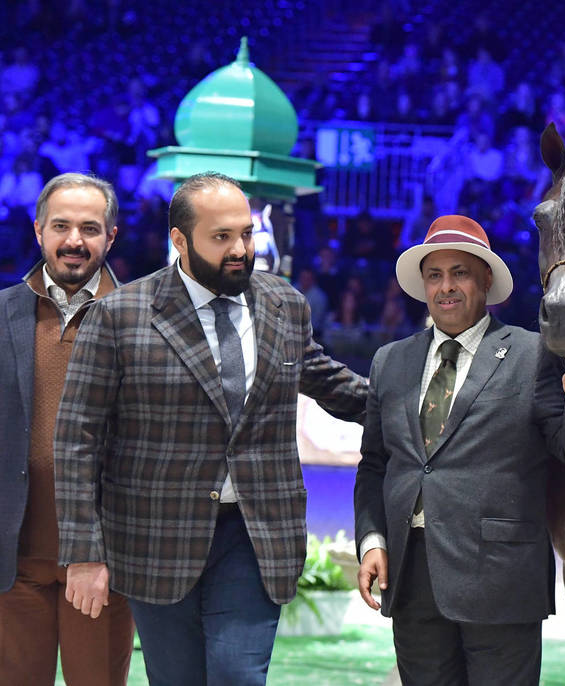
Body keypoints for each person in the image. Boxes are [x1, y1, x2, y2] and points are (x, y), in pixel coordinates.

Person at [53, 172, 368, 685]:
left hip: (256, 533)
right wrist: (84, 554)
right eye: (221, 237)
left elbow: (329, 381)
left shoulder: (284, 303)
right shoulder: (117, 316)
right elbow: (77, 440)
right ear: (180, 240)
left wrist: (418, 406)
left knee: (237, 675)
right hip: (155, 537)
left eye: (245, 233)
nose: (240, 249)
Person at [354, 215, 565, 685]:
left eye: (460, 273)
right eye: (435, 275)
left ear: (486, 280)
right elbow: (374, 465)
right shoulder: (390, 361)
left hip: (500, 581)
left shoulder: (535, 354)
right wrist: (373, 540)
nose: (446, 286)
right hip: (411, 578)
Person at [0, 173, 134, 684]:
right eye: (61, 226)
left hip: (103, 560)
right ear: (38, 230)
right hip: (13, 560)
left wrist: (103, 553)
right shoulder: (2, 314)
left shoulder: (143, 319)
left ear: (111, 236)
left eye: (89, 228)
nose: (74, 240)